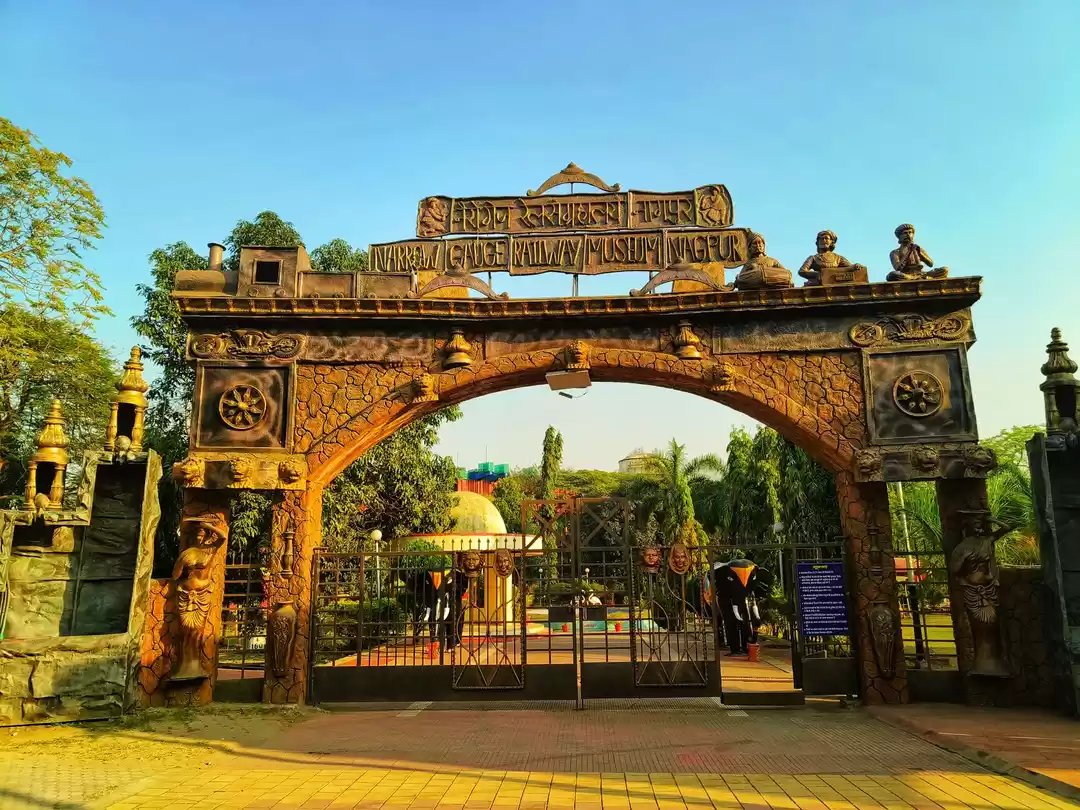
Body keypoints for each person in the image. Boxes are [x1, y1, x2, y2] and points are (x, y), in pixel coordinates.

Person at [798, 230, 862, 286]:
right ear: (818, 242)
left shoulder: (838, 258)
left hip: (836, 285)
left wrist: (856, 266)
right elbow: (802, 271)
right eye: (821, 239)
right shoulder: (813, 258)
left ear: (832, 242)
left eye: (826, 238)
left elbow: (850, 268)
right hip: (818, 286)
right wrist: (818, 274)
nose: (824, 240)